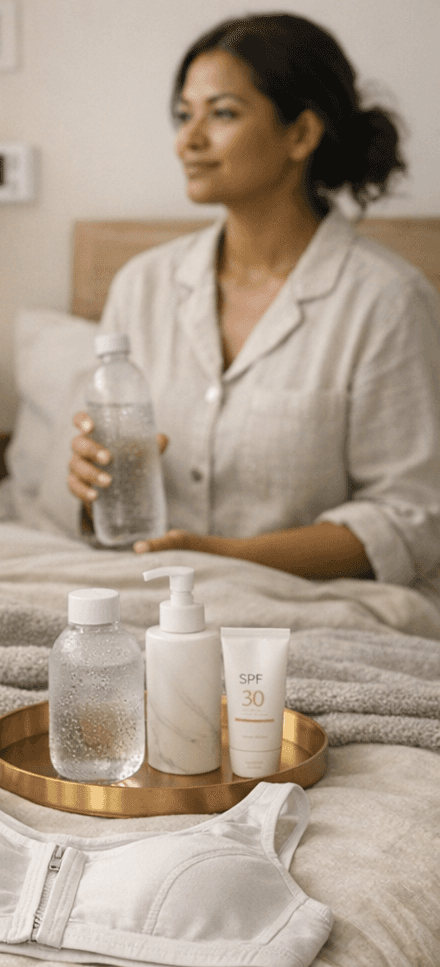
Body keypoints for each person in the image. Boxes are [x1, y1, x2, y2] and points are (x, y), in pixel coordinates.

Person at [68, 12, 440, 591]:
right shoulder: (141, 286)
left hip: (318, 612)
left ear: (301, 134)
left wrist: (217, 556)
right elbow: (110, 510)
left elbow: (407, 519)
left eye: (222, 114)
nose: (188, 140)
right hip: (145, 594)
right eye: (183, 115)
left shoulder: (387, 302)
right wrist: (96, 489)